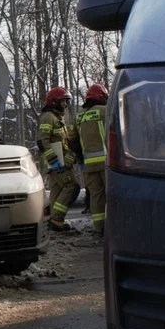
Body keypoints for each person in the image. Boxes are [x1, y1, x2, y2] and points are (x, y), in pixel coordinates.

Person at [37, 86, 79, 232]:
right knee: (71, 186)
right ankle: (57, 219)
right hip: (56, 161)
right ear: (54, 102)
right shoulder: (48, 117)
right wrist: (54, 160)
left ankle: (51, 220)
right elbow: (43, 141)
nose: (65, 104)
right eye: (63, 101)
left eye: (66, 101)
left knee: (56, 190)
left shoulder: (57, 117)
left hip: (58, 160)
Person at [76, 83, 109, 239]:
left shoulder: (79, 115)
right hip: (106, 162)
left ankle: (99, 227)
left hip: (88, 165)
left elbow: (73, 140)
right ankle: (114, 227)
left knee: (96, 196)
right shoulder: (104, 111)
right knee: (111, 194)